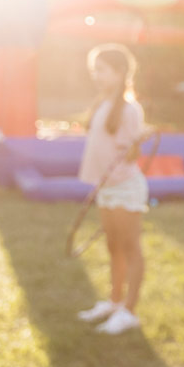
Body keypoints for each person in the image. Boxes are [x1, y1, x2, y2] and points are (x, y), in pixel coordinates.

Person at [75, 44, 147, 336]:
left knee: (130, 248)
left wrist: (141, 139)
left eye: (102, 69)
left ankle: (129, 311)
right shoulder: (103, 104)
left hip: (125, 188)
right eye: (95, 69)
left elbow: (131, 153)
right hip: (106, 188)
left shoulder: (130, 110)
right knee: (113, 246)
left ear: (119, 73)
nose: (96, 75)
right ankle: (114, 301)